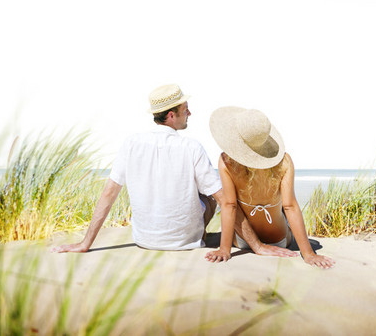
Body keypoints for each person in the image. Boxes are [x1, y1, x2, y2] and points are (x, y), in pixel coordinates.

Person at [52, 84, 221, 252]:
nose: (189, 113)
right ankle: (198, 234)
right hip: (184, 242)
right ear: (171, 115)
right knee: (209, 195)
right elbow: (222, 198)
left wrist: (85, 244)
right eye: (185, 110)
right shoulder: (191, 146)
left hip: (144, 240)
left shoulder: (131, 143)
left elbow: (109, 193)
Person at [204, 107, 335, 269]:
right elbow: (290, 206)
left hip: (242, 241)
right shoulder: (284, 162)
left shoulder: (226, 161)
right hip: (279, 239)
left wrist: (224, 249)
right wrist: (308, 254)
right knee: (282, 213)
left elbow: (229, 205)